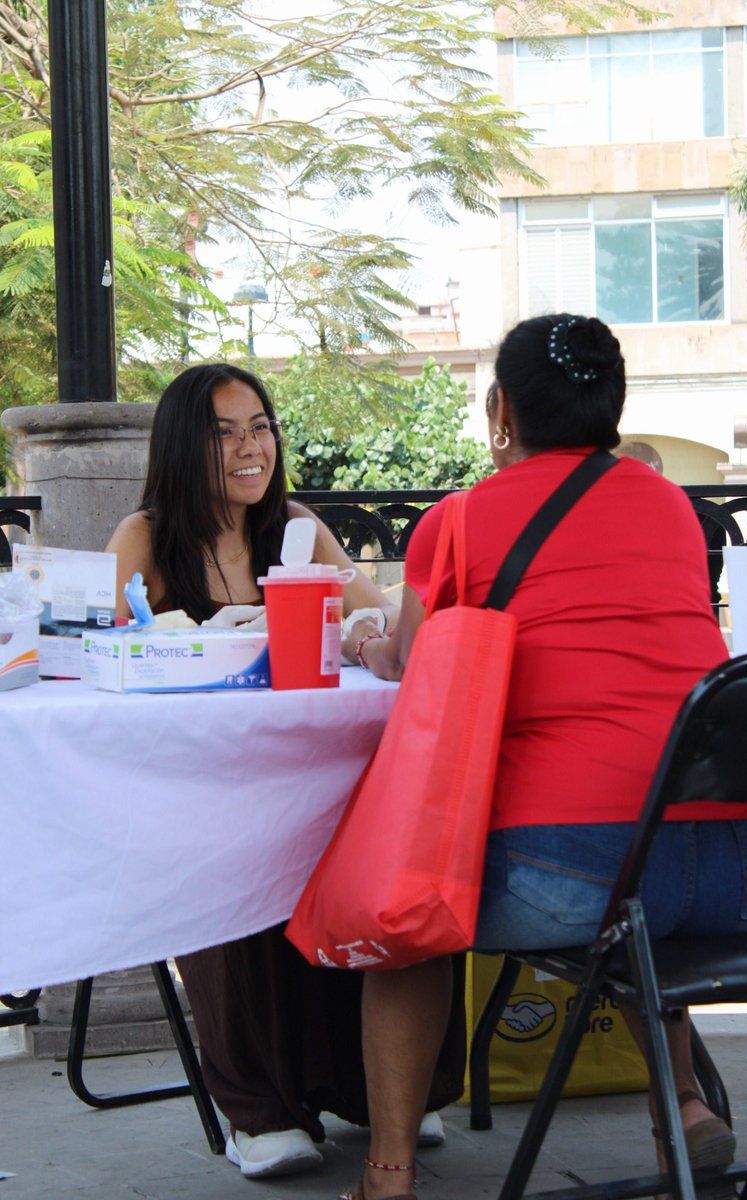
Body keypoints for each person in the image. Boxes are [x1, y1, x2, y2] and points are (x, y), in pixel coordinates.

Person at [345, 314, 747, 1200]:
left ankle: (387, 1177)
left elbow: (416, 667)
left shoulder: (458, 524)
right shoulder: (676, 512)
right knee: (642, 891)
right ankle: (680, 1109)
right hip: (731, 869)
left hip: (569, 873)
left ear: (501, 411)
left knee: (406, 921)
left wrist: (371, 644)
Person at [105, 362, 467, 1181]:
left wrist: (352, 620)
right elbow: (100, 649)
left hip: (314, 782)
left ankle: (384, 1092)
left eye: (260, 426)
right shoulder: (145, 537)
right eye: (224, 431)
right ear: (180, 446)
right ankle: (260, 1109)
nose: (249, 447)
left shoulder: (297, 527)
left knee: (380, 861)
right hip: (201, 792)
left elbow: (376, 614)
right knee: (226, 871)